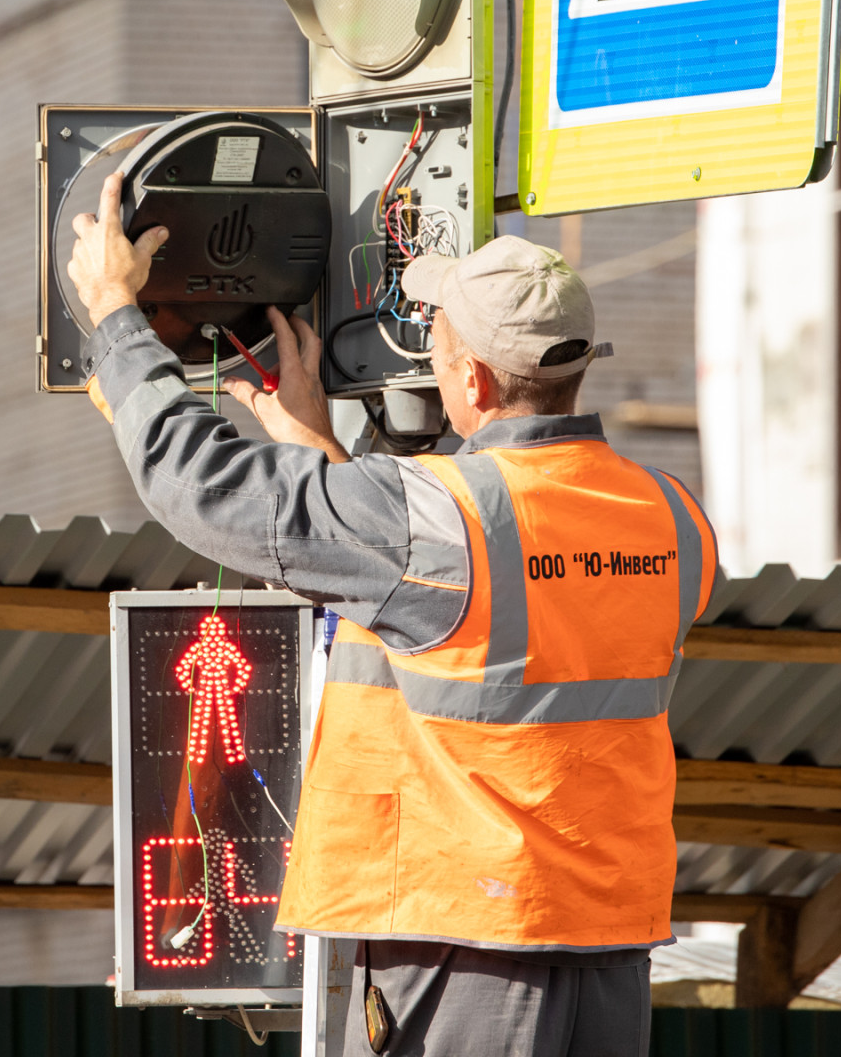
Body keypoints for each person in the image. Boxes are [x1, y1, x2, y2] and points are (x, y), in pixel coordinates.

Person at [69, 173, 716, 1056]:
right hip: (605, 939)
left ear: (474, 382)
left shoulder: (446, 520)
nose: (430, 357)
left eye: (438, 344)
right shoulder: (672, 516)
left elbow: (205, 490)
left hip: (467, 942)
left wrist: (116, 317)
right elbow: (464, 611)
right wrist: (317, 448)